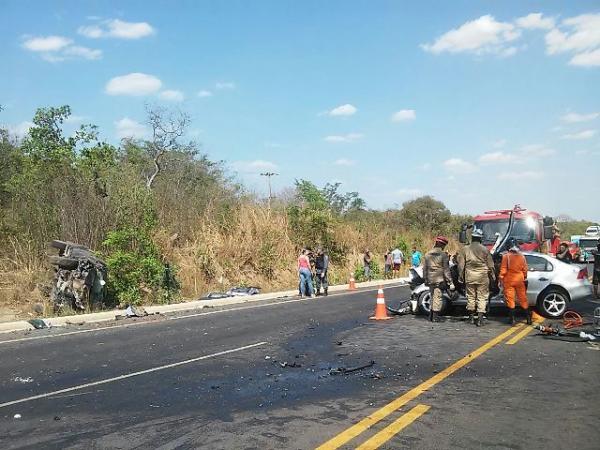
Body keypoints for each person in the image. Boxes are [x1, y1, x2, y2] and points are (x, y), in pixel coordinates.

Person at [457, 228, 496, 327]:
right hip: (482, 276)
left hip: (469, 275)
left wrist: (460, 276)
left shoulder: (465, 249)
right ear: (480, 239)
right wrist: (493, 276)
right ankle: (480, 319)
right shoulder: (485, 249)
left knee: (471, 296)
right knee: (481, 297)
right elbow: (491, 265)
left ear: (472, 237)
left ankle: (470, 318)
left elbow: (461, 265)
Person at [499, 238, 530, 325]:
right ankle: (528, 319)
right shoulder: (522, 256)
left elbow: (503, 270)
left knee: (510, 299)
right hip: (520, 279)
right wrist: (524, 277)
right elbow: (525, 269)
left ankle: (512, 319)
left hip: (509, 280)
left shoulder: (506, 256)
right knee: (523, 298)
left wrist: (500, 278)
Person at [423, 236, 453, 322]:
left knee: (432, 296)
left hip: (430, 278)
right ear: (442, 245)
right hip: (439, 279)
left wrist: (425, 279)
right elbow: (446, 270)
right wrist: (450, 281)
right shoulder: (443, 255)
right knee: (437, 297)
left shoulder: (427, 254)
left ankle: (431, 316)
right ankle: (435, 317)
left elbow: (424, 268)